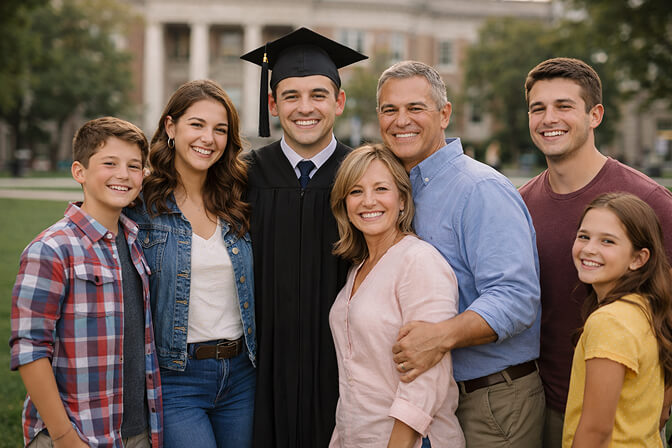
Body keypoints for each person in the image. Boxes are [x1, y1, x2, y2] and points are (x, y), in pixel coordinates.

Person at [379, 60, 544, 446]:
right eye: (390, 110)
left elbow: (517, 299)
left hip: (491, 399)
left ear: (445, 114)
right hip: (431, 400)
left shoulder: (479, 189)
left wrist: (439, 337)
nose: (402, 120)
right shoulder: (396, 190)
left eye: (415, 108)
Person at [518, 57, 672, 447]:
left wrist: (662, 402)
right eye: (538, 108)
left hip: (621, 418)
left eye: (564, 106)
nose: (549, 118)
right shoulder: (519, 204)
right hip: (541, 406)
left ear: (595, 115)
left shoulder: (649, 202)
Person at [240, 27, 367, 447]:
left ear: (339, 102)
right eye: (291, 96)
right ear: (273, 104)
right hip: (261, 370)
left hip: (343, 369)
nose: (305, 107)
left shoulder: (366, 176)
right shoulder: (244, 175)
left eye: (318, 94)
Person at [9, 117, 162, 447]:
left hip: (137, 433)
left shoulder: (137, 244)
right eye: (110, 163)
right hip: (74, 435)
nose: (123, 174)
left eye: (134, 166)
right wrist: (65, 437)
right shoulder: (51, 249)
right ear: (79, 171)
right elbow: (30, 351)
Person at [125, 79, 256, 448]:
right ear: (171, 127)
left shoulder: (239, 201)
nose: (208, 138)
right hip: (177, 376)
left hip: (242, 374)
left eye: (220, 129)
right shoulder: (141, 205)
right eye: (197, 124)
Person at [328, 144, 465, 448]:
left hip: (412, 441)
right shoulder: (358, 268)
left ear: (402, 199)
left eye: (381, 189)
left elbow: (427, 376)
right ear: (344, 204)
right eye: (355, 191)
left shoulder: (418, 261)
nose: (368, 201)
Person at [563, 193, 672, 447]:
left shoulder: (610, 322)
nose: (590, 248)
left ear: (638, 259)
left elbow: (596, 432)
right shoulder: (644, 307)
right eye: (584, 236)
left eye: (608, 241)